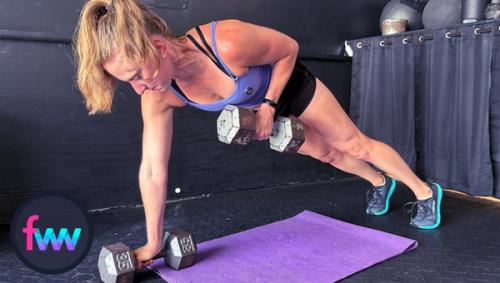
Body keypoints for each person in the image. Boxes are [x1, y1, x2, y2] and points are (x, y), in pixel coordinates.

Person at [74, 0, 444, 268]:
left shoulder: (227, 41)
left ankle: (425, 192)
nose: (138, 88)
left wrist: (268, 104)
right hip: (260, 113)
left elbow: (288, 49)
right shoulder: (159, 96)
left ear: (156, 47)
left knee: (350, 142)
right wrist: (153, 242)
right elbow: (153, 170)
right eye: (129, 82)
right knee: (326, 154)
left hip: (290, 87)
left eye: (137, 75)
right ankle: (380, 181)